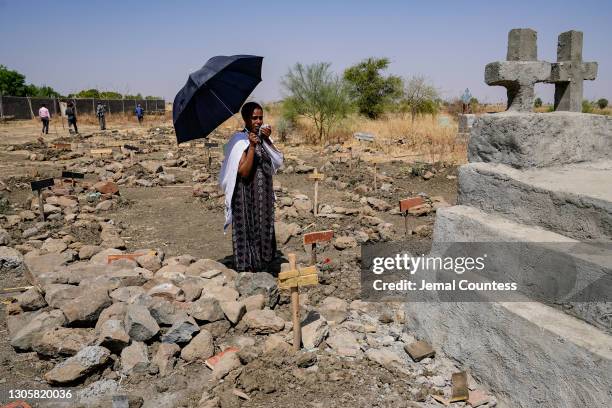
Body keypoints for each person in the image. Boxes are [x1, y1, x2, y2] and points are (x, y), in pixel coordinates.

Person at [219, 102, 283, 272]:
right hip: (245, 195)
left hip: (263, 195)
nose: (258, 121)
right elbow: (244, 172)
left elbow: (278, 161)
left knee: (264, 226)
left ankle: (264, 264)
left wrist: (266, 140)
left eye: (260, 117)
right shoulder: (238, 141)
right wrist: (252, 147)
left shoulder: (262, 137)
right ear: (246, 119)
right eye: (254, 118)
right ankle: (248, 268)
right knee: (248, 228)